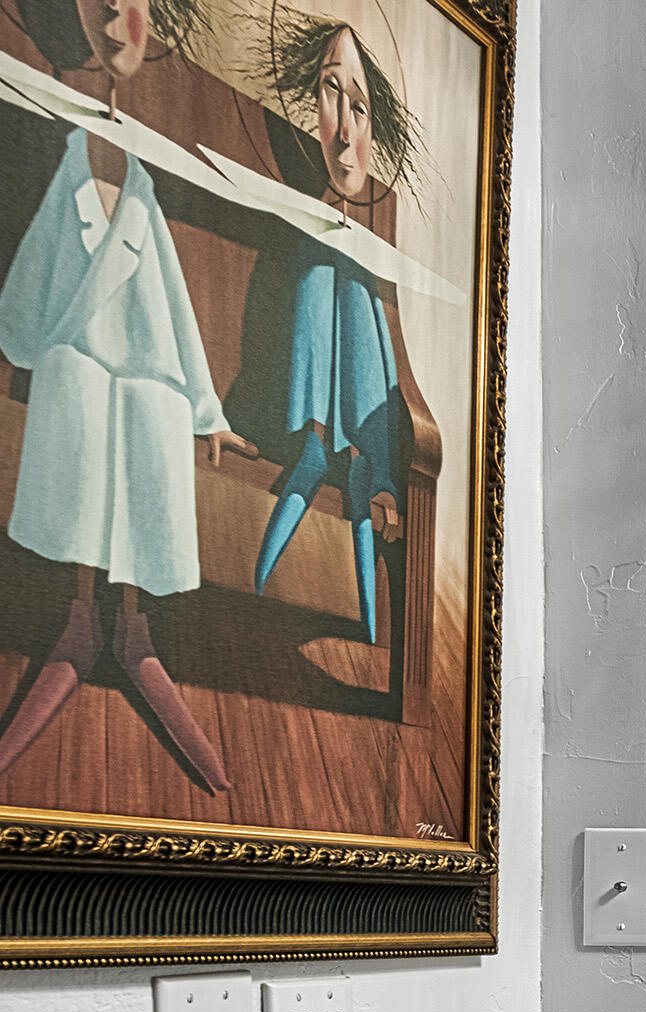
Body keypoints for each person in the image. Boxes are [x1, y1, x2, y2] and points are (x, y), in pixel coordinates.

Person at [0, 0, 253, 791]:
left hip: (147, 379)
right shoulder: (62, 154)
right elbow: (32, 285)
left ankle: (134, 629)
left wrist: (207, 410)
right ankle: (82, 621)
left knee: (153, 405)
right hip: (75, 366)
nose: (117, 11)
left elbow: (173, 308)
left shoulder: (141, 181)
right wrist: (20, 348)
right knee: (77, 381)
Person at [242, 8, 417, 649]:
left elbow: (385, 354)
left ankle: (364, 462)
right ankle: (323, 446)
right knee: (324, 261)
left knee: (350, 273)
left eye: (361, 107)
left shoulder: (366, 241)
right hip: (291, 411)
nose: (346, 131)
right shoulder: (309, 221)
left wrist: (380, 456)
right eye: (329, 91)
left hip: (364, 429)